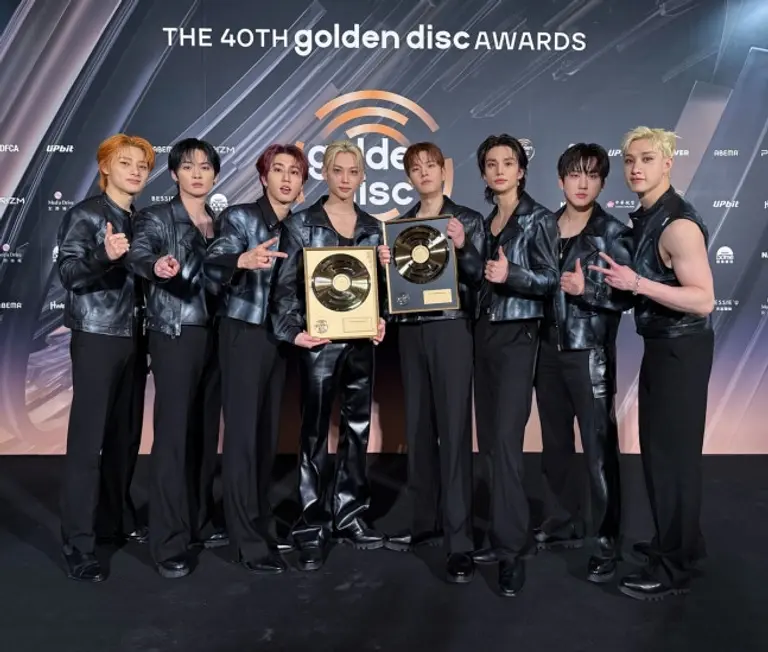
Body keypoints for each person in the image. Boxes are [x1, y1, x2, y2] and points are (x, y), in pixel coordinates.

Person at [590, 126, 714, 601]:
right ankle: (679, 545)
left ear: (667, 163)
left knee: (672, 460)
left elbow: (703, 299)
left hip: (681, 350)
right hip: (663, 347)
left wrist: (637, 284)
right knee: (663, 456)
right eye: (629, 160)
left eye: (646, 159)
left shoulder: (677, 225)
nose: (636, 168)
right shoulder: (647, 216)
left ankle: (674, 567)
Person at [271, 139, 386, 572]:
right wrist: (293, 332)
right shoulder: (302, 224)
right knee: (314, 431)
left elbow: (380, 289)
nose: (345, 179)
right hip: (319, 343)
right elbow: (285, 287)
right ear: (325, 173)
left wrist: (381, 319)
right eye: (337, 170)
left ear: (362, 176)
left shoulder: (373, 227)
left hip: (361, 341)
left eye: (353, 171)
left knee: (358, 428)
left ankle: (350, 514)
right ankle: (312, 525)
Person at [377, 142, 484, 584]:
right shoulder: (399, 226)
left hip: (452, 329)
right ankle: (424, 525)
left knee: (454, 433)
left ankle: (460, 541)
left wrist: (464, 247)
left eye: (430, 165)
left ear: (444, 171)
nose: (424, 173)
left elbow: (481, 279)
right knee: (418, 428)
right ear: (409, 176)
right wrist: (384, 266)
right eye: (415, 167)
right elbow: (391, 294)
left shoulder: (468, 220)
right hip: (411, 331)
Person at [204, 144, 308, 573]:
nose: (286, 178)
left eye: (294, 172)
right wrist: (241, 260)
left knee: (266, 437)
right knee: (243, 439)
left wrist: (298, 330)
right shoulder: (240, 217)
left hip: (279, 338)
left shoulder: (299, 227)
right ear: (264, 178)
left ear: (302, 185)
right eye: (278, 170)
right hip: (243, 332)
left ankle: (259, 522)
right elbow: (212, 261)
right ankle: (245, 540)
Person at [57, 134, 154, 581]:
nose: (135, 171)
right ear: (105, 167)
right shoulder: (85, 215)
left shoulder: (142, 219)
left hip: (136, 337)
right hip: (97, 335)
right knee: (88, 444)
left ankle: (114, 521)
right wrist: (104, 254)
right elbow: (69, 274)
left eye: (142, 165)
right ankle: (79, 543)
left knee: (125, 438)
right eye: (126, 162)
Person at [534, 143, 632, 584]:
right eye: (575, 174)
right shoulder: (543, 227)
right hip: (546, 351)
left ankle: (607, 540)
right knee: (555, 445)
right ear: (561, 180)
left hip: (589, 353)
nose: (582, 183)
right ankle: (561, 520)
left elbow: (628, 296)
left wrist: (586, 291)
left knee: (597, 450)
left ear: (602, 183)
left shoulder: (613, 232)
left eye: (592, 175)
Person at [127, 138, 225, 578]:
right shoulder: (157, 217)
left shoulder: (220, 223)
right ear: (174, 174)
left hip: (216, 335)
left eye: (205, 166)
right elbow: (139, 253)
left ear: (215, 174)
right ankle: (167, 541)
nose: (198, 174)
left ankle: (197, 520)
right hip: (175, 333)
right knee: (172, 437)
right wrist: (156, 267)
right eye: (188, 167)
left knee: (204, 434)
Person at [472, 134, 559, 597]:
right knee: (489, 442)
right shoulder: (487, 221)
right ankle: (502, 533)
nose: (500, 170)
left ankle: (512, 550)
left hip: (518, 337)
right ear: (484, 173)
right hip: (483, 336)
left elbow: (550, 281)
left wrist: (513, 275)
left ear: (521, 170)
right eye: (492, 164)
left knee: (506, 442)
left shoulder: (539, 218)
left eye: (508, 163)